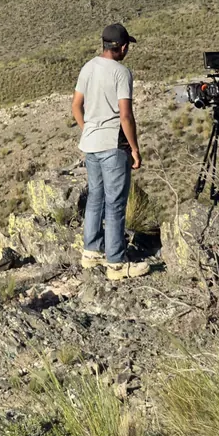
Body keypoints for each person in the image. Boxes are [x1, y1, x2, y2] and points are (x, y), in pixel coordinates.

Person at [71, 22, 148, 281]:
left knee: (95, 198)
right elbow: (125, 115)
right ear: (123, 47)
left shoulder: (88, 67)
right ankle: (116, 262)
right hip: (113, 146)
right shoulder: (121, 72)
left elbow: (75, 107)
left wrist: (88, 129)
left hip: (90, 144)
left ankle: (91, 251)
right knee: (115, 203)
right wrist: (135, 149)